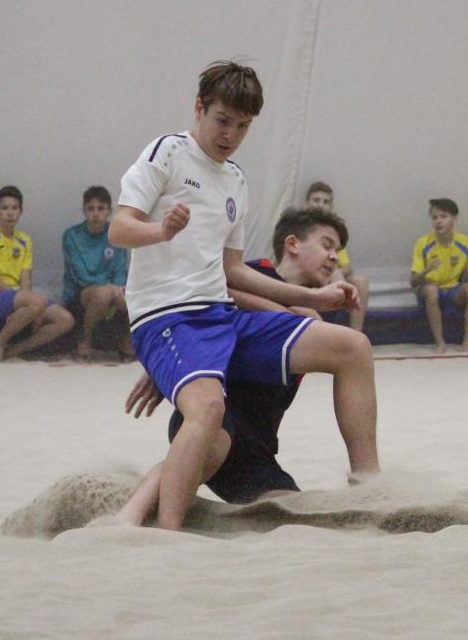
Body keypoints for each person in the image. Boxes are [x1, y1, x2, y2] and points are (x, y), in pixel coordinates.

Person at [107, 61, 380, 531]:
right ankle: (166, 532)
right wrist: (160, 231)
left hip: (219, 318)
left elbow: (233, 272)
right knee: (210, 411)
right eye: (222, 120)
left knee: (352, 347)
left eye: (243, 125)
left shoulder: (235, 179)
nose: (230, 135)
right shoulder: (167, 152)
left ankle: (372, 488)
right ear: (199, 108)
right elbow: (119, 229)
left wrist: (317, 299)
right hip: (168, 317)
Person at [122, 206, 351, 507]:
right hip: (215, 420)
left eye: (338, 251)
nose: (334, 257)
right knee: (212, 447)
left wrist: (292, 313)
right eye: (327, 245)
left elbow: (317, 329)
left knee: (289, 509)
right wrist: (159, 367)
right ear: (292, 244)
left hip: (255, 452)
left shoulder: (315, 319)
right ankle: (129, 513)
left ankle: (154, 503)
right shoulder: (248, 273)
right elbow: (196, 308)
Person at [0, 185, 75, 362]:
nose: (10, 213)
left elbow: (26, 280)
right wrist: (24, 302)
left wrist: (27, 301)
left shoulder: (25, 240)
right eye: (5, 208)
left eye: (14, 208)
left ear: (21, 211)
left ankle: (15, 350)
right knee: (37, 301)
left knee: (65, 319)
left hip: (19, 297)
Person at [62, 185, 133, 360]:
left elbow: (120, 271)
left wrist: (117, 288)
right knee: (102, 295)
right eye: (90, 209)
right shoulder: (71, 236)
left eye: (101, 209)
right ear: (84, 211)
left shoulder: (116, 234)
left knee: (129, 297)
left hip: (112, 290)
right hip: (80, 292)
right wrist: (109, 288)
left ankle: (126, 341)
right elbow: (80, 276)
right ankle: (85, 339)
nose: (95, 214)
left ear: (109, 211)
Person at [410, 198, 468, 354]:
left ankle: (467, 343)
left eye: (443, 216)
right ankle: (440, 343)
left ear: (454, 219)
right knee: (432, 291)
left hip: (454, 290)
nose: (439, 221)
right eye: (435, 217)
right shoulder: (423, 243)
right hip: (431, 289)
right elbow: (413, 281)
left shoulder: (466, 242)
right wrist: (426, 270)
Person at [306, 181, 370, 333]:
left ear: (331, 206)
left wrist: (332, 271)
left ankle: (356, 333)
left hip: (330, 276)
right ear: (307, 203)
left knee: (359, 281)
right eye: (316, 200)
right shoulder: (299, 226)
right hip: (306, 275)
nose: (320, 205)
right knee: (333, 272)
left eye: (325, 201)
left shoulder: (333, 231)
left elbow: (347, 266)